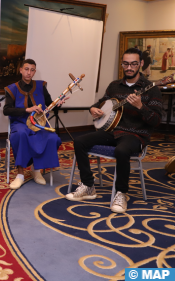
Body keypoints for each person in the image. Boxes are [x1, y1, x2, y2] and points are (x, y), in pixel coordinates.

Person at [66, 48, 162, 213]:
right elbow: (101, 103)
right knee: (79, 141)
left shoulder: (151, 89)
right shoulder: (114, 86)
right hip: (112, 131)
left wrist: (140, 106)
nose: (129, 67)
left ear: (141, 64)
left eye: (133, 63)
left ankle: (121, 192)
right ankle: (88, 185)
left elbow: (156, 120)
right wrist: (93, 109)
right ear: (122, 64)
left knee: (122, 150)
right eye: (126, 63)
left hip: (135, 135)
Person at [3, 59, 68, 190]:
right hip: (20, 123)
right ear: (20, 70)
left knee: (53, 138)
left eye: (32, 70)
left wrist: (57, 104)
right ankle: (20, 174)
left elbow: (49, 105)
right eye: (26, 69)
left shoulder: (41, 86)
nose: (29, 72)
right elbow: (6, 110)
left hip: (39, 123)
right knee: (20, 135)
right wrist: (27, 110)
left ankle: (36, 169)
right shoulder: (12, 88)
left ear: (34, 72)